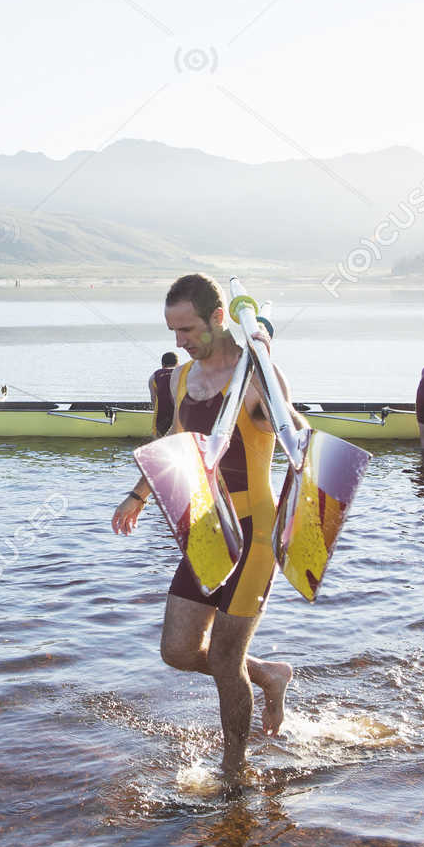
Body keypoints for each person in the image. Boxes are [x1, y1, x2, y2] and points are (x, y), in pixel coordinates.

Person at [111, 273, 304, 778]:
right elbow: (175, 445)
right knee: (177, 649)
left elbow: (299, 440)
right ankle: (270, 675)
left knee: (223, 657)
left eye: (188, 329)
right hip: (205, 524)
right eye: (173, 332)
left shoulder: (256, 376)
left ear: (220, 319)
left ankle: (234, 771)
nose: (180, 342)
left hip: (254, 531)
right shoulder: (179, 380)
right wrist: (138, 494)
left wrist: (272, 388)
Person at [150, 350, 180, 437]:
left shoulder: (154, 376)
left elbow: (154, 400)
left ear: (162, 364)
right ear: (177, 363)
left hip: (162, 417)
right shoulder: (183, 372)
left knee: (159, 442)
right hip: (181, 416)